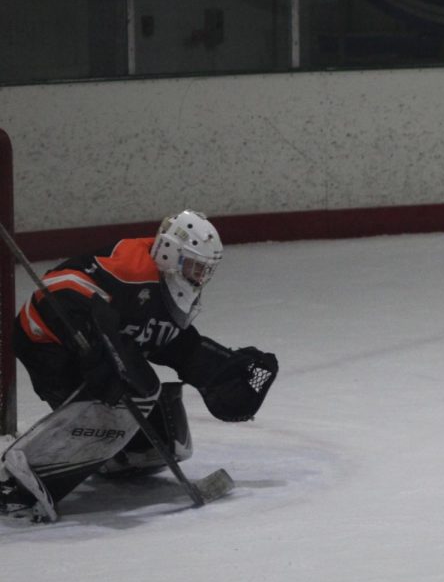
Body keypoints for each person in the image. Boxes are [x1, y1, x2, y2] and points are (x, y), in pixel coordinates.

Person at [0, 210, 278, 522]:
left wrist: (219, 368)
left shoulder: (168, 284)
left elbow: (167, 340)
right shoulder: (131, 267)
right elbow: (56, 285)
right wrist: (94, 336)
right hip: (48, 342)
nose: (199, 277)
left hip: (93, 341)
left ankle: (120, 453)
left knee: (165, 440)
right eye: (194, 267)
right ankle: (15, 482)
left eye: (205, 271)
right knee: (134, 387)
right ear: (170, 253)